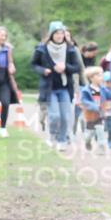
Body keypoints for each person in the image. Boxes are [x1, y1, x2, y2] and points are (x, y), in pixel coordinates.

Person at [31, 21, 81, 150]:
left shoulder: (70, 49)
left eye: (62, 33)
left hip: (64, 87)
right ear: (51, 34)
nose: (60, 36)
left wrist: (65, 67)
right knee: (54, 116)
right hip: (49, 88)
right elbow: (33, 64)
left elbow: (76, 67)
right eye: (57, 33)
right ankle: (52, 134)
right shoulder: (42, 48)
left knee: (65, 116)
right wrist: (43, 70)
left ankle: (62, 140)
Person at [79, 67, 106, 153]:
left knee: (100, 129)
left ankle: (101, 146)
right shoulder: (86, 90)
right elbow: (84, 100)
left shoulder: (103, 89)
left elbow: (109, 96)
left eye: (101, 75)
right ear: (91, 78)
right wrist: (93, 106)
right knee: (90, 132)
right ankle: (87, 141)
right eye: (98, 75)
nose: (101, 77)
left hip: (99, 114)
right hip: (90, 115)